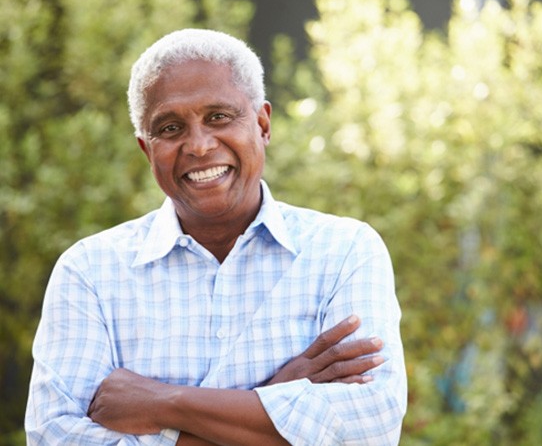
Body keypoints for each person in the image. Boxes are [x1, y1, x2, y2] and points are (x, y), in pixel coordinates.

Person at [25, 29, 407, 445]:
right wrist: (278, 404)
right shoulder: (89, 273)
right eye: (170, 128)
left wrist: (163, 403)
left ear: (262, 124)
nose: (200, 146)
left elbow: (371, 426)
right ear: (146, 149)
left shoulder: (344, 251)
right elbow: (55, 437)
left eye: (218, 117)